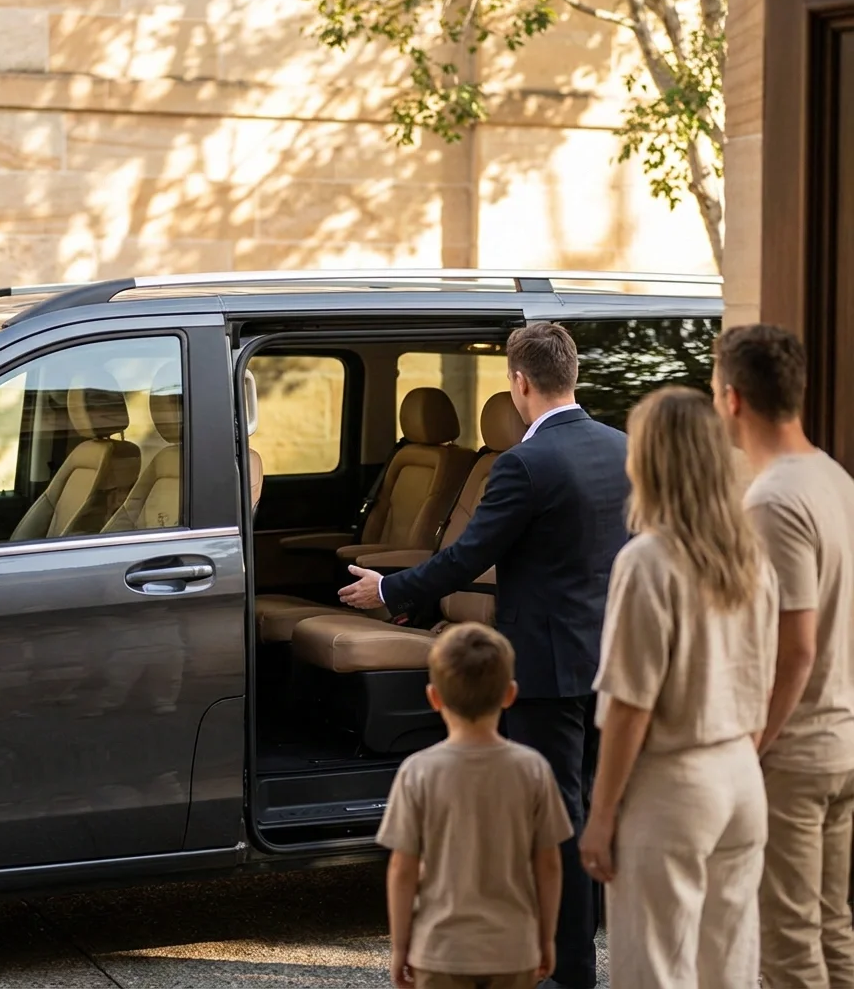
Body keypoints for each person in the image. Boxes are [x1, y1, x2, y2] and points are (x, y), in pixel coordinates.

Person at [342, 323, 629, 989]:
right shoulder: (619, 447)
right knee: (590, 813)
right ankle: (582, 962)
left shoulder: (524, 464)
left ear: (519, 382)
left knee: (561, 823)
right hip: (609, 663)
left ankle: (572, 975)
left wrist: (386, 589)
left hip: (548, 670)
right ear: (573, 375)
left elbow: (470, 555)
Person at [579, 386, 778, 988]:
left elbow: (631, 706)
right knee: (730, 970)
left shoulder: (648, 562)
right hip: (741, 779)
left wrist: (602, 814)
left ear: (652, 462)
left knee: (655, 972)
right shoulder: (752, 558)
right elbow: (764, 685)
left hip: (672, 788)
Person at [714, 323, 854, 988]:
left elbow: (795, 646)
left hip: (795, 754)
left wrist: (752, 745)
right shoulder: (835, 478)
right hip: (838, 742)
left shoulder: (772, 500)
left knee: (788, 950)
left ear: (733, 399)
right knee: (832, 932)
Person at [377, 622, 573, 989]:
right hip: (513, 948)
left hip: (440, 948)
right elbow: (549, 862)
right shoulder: (533, 769)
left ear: (434, 698)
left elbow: (403, 868)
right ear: (510, 694)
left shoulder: (417, 771)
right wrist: (546, 938)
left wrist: (400, 947)